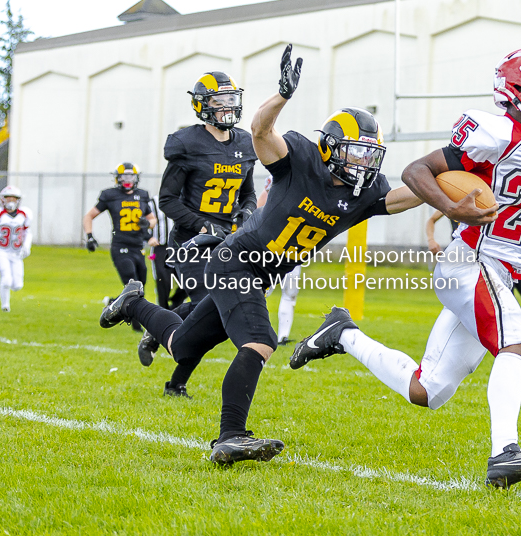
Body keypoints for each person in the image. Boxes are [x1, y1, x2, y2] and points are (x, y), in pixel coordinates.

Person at [99, 44, 422, 465]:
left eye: (369, 154)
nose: (362, 163)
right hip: (238, 261)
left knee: (182, 345)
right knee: (260, 340)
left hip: (261, 272)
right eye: (355, 151)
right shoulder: (302, 159)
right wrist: (282, 96)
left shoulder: (365, 194)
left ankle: (133, 304)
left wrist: (457, 173)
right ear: (329, 147)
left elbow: (408, 196)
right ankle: (230, 436)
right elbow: (261, 133)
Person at [291, 47, 521, 489]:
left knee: (427, 391)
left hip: (497, 269)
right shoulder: (495, 130)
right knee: (519, 344)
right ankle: (505, 452)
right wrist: (453, 207)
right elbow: (416, 171)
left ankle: (341, 334)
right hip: (470, 261)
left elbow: (518, 198)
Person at [136, 71, 258, 383]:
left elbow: (248, 193)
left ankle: (173, 375)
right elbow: (167, 199)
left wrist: (246, 213)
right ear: (202, 106)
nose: (228, 106)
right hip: (192, 241)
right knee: (211, 302)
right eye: (220, 101)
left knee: (214, 312)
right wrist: (203, 225)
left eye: (232, 99)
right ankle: (153, 324)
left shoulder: (245, 142)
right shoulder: (188, 143)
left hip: (228, 241)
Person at [426, 210, 521, 333]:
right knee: (501, 306)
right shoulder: (453, 199)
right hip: (474, 256)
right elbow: (431, 219)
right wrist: (431, 240)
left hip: (513, 255)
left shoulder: (494, 198)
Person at [83, 162, 156, 332]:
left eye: (131, 176)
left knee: (141, 286)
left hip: (138, 246)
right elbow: (89, 216)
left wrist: (148, 223)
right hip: (120, 246)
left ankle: (114, 303)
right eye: (124, 177)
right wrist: (89, 237)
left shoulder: (142, 195)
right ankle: (137, 324)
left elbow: (153, 220)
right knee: (131, 281)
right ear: (117, 178)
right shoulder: (110, 195)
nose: (127, 180)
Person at [259, 175, 301, 346]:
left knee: (290, 293)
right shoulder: (279, 175)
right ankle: (255, 331)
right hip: (273, 243)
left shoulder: (309, 176)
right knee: (261, 290)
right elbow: (260, 206)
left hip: (295, 245)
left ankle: (283, 336)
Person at [0, 186, 33, 312]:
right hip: (1, 251)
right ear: (2, 199)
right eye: (8, 198)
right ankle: (5, 306)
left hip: (16, 253)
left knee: (17, 285)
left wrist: (27, 245)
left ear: (18, 200)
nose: (11, 201)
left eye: (14, 198)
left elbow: (27, 232)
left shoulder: (24, 214)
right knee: (6, 279)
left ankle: (6, 303)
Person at [146, 196, 188, 311]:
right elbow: (140, 221)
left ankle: (175, 304)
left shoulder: (188, 198)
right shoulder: (153, 202)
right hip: (161, 247)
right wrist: (148, 237)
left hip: (181, 247)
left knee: (189, 280)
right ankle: (163, 311)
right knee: (163, 280)